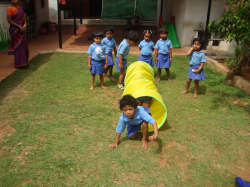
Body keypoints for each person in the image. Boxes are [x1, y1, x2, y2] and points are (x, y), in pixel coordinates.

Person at [7, 0, 30, 68]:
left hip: (22, 30)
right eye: (14, 0)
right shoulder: (9, 8)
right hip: (15, 30)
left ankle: (25, 61)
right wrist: (18, 26)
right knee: (18, 47)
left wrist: (25, 24)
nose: (16, 1)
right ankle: (19, 63)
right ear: (11, 1)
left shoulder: (20, 8)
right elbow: (9, 20)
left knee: (24, 45)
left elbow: (24, 18)